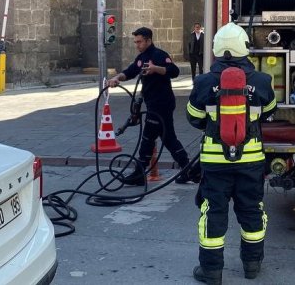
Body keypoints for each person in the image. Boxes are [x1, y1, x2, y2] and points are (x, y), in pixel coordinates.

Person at [186, 22, 277, 285]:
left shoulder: (204, 81)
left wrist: (213, 126)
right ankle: (252, 264)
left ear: (216, 48)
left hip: (215, 162)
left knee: (213, 211)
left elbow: (193, 117)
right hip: (251, 160)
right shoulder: (261, 80)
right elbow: (270, 111)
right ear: (243, 48)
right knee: (251, 209)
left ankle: (211, 270)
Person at [107, 27, 195, 186]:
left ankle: (139, 173)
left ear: (148, 40)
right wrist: (116, 78)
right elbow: (130, 72)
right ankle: (189, 170)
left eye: (139, 42)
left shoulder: (159, 55)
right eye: (135, 42)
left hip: (162, 104)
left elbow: (174, 71)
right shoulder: (141, 58)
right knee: (168, 138)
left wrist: (156, 69)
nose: (137, 45)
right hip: (152, 103)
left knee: (148, 138)